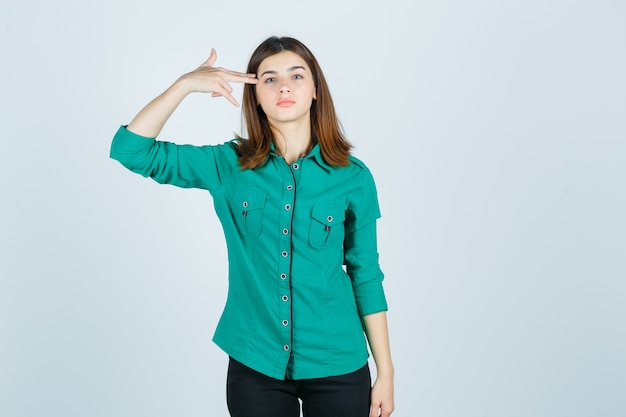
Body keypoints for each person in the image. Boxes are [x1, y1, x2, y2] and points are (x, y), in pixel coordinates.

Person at [110, 36, 394, 417]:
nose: (284, 86)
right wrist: (184, 85)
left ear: (314, 91)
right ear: (255, 95)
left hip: (337, 360)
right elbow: (130, 150)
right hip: (255, 360)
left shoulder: (353, 177)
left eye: (296, 75)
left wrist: (386, 371)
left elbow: (366, 274)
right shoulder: (228, 164)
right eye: (269, 79)